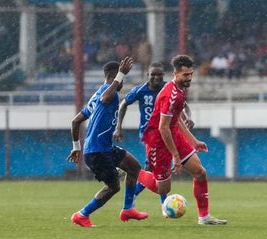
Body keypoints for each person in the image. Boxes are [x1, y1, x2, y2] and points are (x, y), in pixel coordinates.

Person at [140, 55, 227, 225]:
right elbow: (162, 127)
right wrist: (176, 156)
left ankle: (204, 217)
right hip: (159, 141)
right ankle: (134, 172)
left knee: (200, 172)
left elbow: (177, 119)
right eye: (185, 75)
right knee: (163, 188)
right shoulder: (170, 94)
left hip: (174, 136)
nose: (189, 78)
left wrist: (193, 141)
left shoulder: (179, 90)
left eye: (191, 74)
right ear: (175, 73)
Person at [67, 57, 148, 227]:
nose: (121, 83)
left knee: (134, 167)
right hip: (97, 151)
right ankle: (82, 215)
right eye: (120, 78)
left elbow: (76, 121)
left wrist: (76, 147)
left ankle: (128, 209)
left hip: (105, 148)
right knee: (113, 187)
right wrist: (121, 74)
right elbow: (105, 98)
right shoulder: (106, 93)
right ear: (113, 75)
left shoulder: (95, 97)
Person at [114, 62, 195, 216]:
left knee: (160, 170)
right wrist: (118, 127)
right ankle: (136, 200)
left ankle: (138, 199)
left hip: (167, 134)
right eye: (153, 74)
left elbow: (184, 106)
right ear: (148, 75)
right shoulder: (140, 90)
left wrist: (188, 118)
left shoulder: (168, 89)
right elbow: (123, 103)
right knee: (155, 170)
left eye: (159, 75)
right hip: (151, 135)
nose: (156, 77)